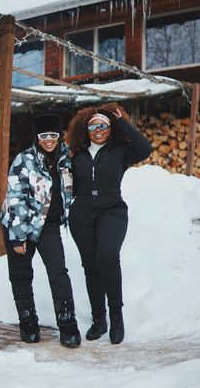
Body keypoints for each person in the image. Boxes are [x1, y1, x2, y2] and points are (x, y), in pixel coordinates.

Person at [67, 102, 152, 345]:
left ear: (111, 127)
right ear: (86, 128)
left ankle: (116, 317)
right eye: (93, 125)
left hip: (112, 209)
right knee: (91, 266)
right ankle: (99, 320)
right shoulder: (76, 152)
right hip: (81, 212)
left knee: (107, 255)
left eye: (104, 125)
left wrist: (121, 121)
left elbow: (145, 148)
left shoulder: (121, 150)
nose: (98, 129)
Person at [0, 113, 81, 348]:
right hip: (20, 224)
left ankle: (68, 326)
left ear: (59, 136)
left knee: (58, 272)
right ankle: (28, 323)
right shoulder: (24, 160)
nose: (49, 139)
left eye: (53, 135)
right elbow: (16, 199)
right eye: (44, 135)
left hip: (49, 226)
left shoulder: (65, 159)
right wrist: (18, 236)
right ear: (37, 137)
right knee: (21, 274)